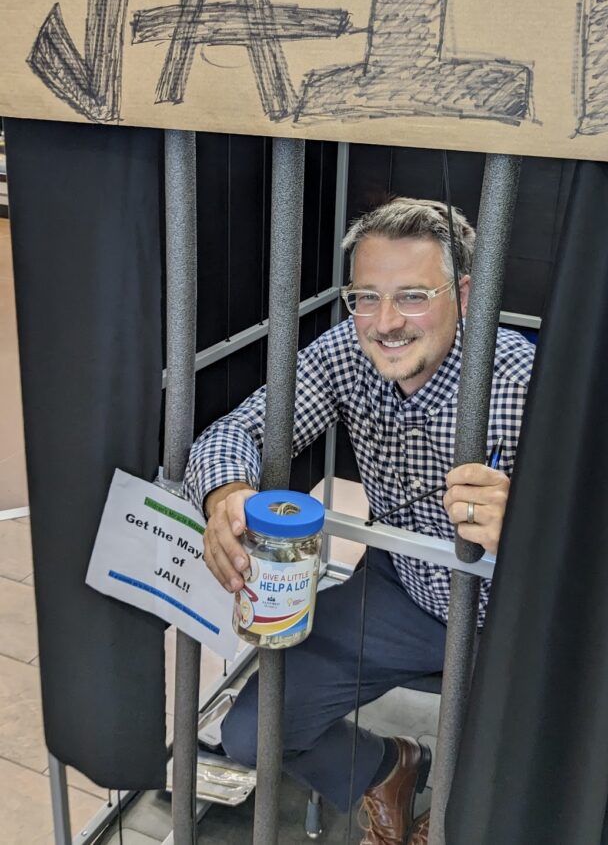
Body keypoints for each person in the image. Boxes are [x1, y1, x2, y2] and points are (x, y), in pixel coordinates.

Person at [183, 197, 535, 845]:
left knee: (533, 784)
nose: (385, 322)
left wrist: (535, 523)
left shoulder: (520, 377)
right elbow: (241, 428)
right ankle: (388, 767)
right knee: (249, 734)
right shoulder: (348, 346)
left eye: (412, 296)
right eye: (365, 296)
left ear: (464, 292)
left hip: (517, 621)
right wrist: (226, 492)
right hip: (401, 590)